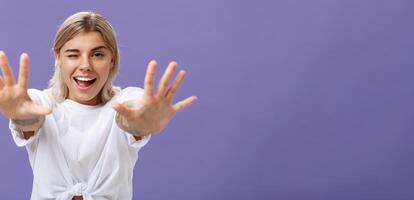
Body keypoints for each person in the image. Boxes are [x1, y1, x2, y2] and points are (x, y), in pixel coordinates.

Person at [0, 11, 197, 200]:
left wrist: (143, 123)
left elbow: (132, 115)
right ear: (58, 57)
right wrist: (18, 115)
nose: (85, 65)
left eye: (97, 55)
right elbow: (30, 116)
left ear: (112, 59)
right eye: (73, 54)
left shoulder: (124, 102)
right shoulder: (43, 103)